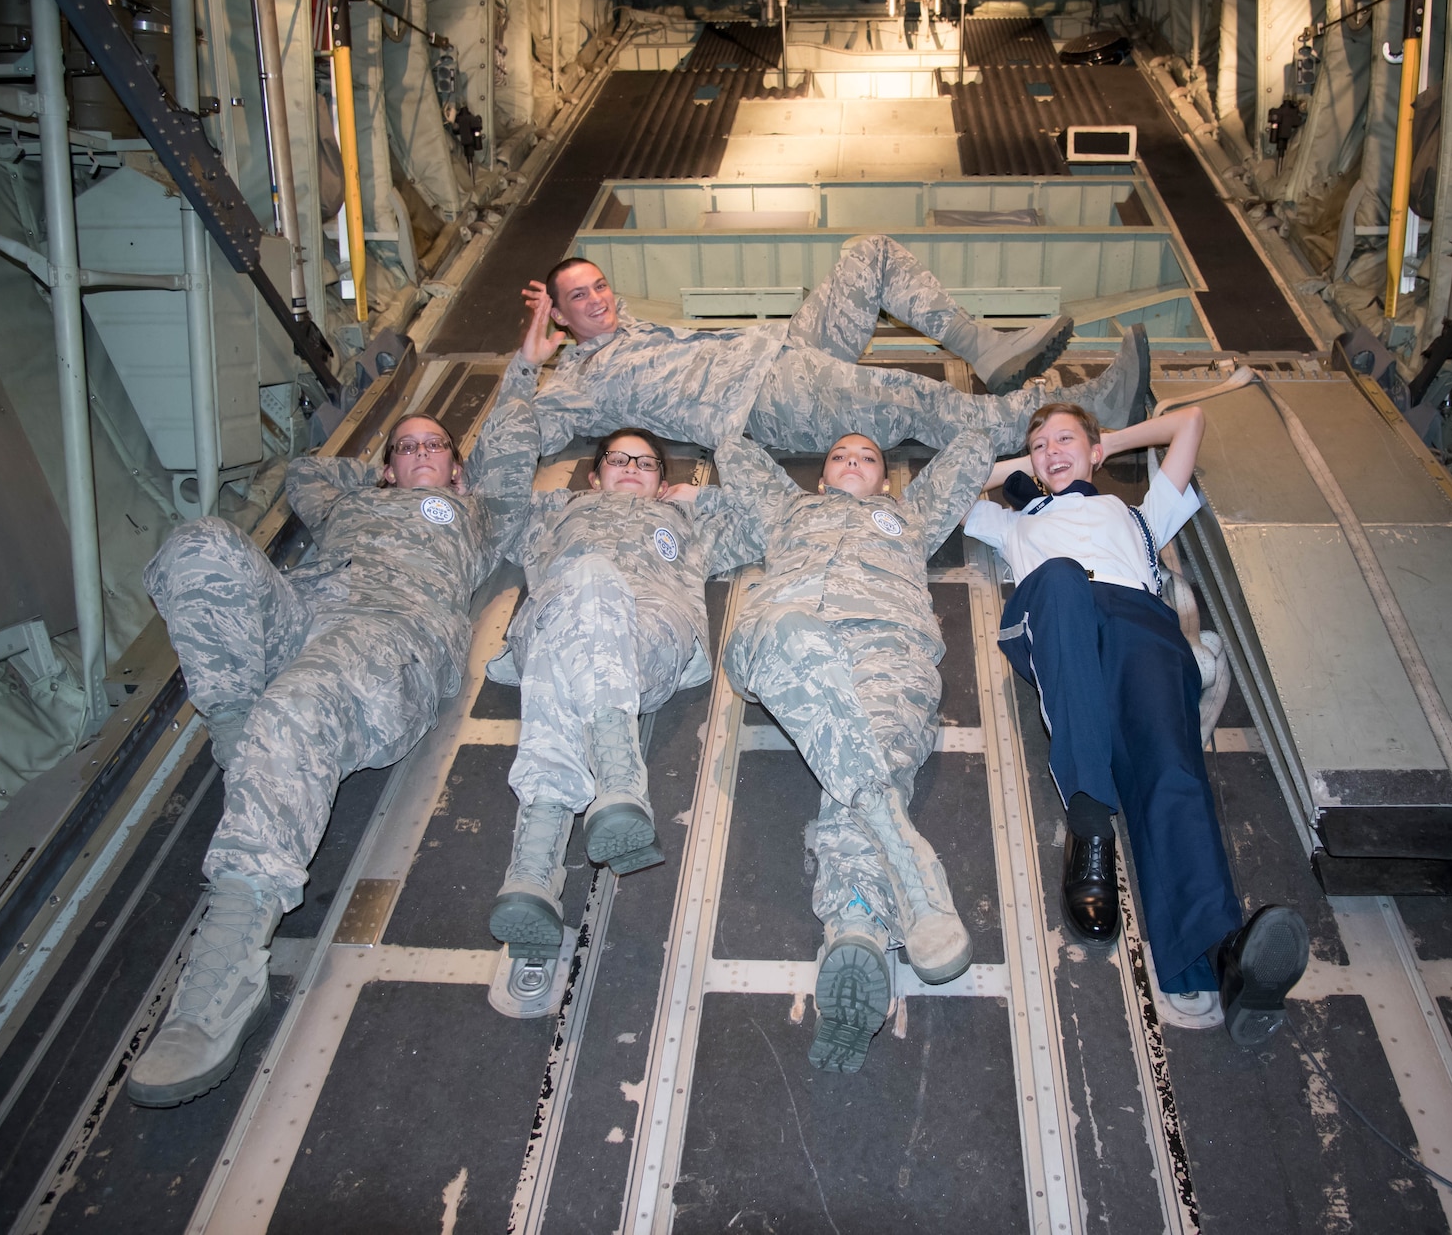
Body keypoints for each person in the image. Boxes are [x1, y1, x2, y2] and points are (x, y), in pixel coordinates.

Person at [130, 400, 539, 1105]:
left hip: (390, 637)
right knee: (200, 545)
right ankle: (237, 729)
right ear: (385, 467)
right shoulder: (344, 503)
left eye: (433, 446)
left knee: (297, 704)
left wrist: (528, 365)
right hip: (301, 613)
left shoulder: (481, 513)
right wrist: (375, 475)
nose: (418, 454)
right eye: (404, 447)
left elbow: (511, 445)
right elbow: (306, 469)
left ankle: (216, 986)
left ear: (459, 470)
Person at [963, 402, 1310, 1046]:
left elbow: (1192, 424)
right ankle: (1090, 832)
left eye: (1065, 438)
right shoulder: (1012, 524)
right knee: (1062, 578)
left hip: (1139, 625)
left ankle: (1218, 957)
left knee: (1172, 769)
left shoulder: (1140, 517)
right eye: (1039, 445)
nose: (1050, 449)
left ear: (1098, 451)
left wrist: (1099, 443)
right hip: (1056, 609)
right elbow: (951, 482)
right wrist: (1037, 466)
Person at [715, 429, 988, 1072]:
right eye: (840, 455)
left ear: (888, 481)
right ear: (818, 476)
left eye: (868, 458)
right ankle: (904, 856)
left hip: (886, 651)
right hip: (782, 635)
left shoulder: (911, 515)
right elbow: (732, 447)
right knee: (785, 632)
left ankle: (857, 925)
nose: (853, 462)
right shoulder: (788, 510)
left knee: (869, 747)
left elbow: (972, 445)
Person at [487, 426, 760, 963]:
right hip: (555, 625)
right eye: (618, 459)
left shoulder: (690, 525)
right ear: (594, 476)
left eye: (648, 463)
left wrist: (701, 497)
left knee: (564, 642)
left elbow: (772, 519)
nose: (632, 467)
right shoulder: (553, 513)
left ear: (662, 483)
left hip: (652, 635)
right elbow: (495, 493)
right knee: (575, 600)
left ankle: (533, 864)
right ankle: (616, 788)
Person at [501, 235, 1151, 459]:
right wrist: (528, 360)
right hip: (769, 400)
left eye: (600, 285)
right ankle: (1091, 412)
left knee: (867, 255)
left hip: (783, 347)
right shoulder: (576, 387)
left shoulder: (631, 324)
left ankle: (986, 350)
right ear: (556, 314)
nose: (597, 299)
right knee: (912, 397)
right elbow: (515, 433)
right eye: (578, 298)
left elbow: (607, 313)